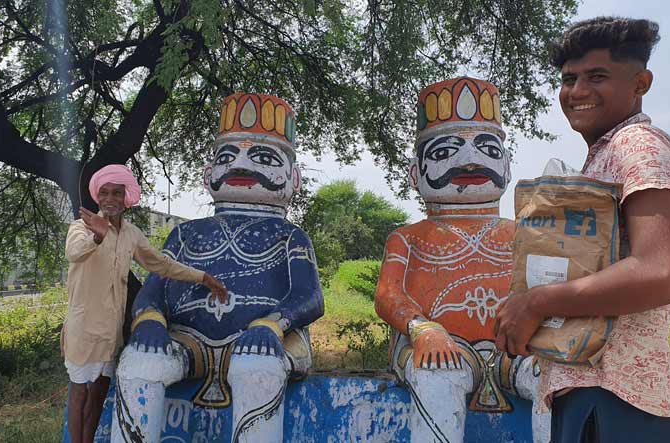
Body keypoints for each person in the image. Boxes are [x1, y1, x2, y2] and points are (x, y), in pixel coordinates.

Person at [494, 17, 670, 443]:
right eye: (569, 79)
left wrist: (537, 302)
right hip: (592, 395)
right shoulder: (605, 155)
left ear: (641, 82)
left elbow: (665, 273)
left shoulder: (639, 147)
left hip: (621, 400)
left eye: (596, 76)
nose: (577, 91)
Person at [110, 93, 323, 443]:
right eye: (227, 156)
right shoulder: (184, 234)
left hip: (269, 339)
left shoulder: (290, 236)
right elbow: (153, 290)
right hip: (187, 338)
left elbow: (309, 297)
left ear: (293, 179)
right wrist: (149, 321)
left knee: (258, 369)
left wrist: (272, 324)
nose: (240, 165)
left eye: (264, 157)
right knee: (139, 364)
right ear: (209, 174)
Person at [374, 77, 549, 443]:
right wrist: (424, 330)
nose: (470, 160)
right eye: (444, 152)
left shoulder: (526, 232)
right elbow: (388, 295)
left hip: (514, 349)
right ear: (415, 172)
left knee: (552, 377)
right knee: (437, 376)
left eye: (487, 148)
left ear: (507, 165)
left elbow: (545, 286)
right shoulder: (407, 236)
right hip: (437, 345)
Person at [62, 164, 227, 443]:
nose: (111, 199)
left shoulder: (131, 234)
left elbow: (160, 264)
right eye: (105, 193)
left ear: (125, 197)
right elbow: (74, 253)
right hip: (84, 329)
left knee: (100, 392)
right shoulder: (81, 227)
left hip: (111, 331)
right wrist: (97, 236)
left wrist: (202, 277)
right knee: (80, 392)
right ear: (97, 197)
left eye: (117, 193)